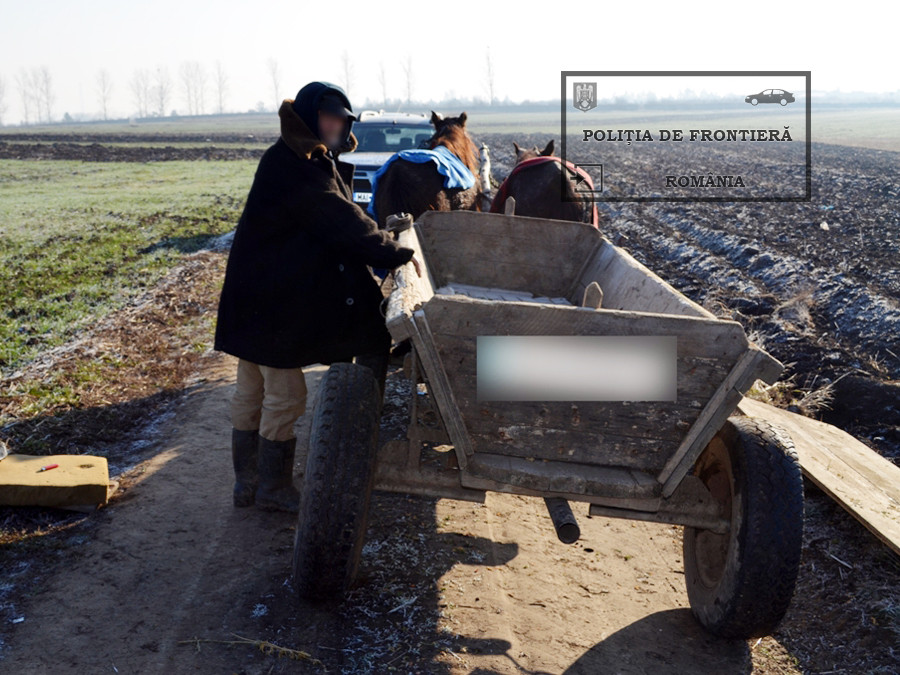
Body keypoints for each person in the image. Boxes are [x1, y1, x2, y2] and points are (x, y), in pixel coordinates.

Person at [214, 81, 420, 513]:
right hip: (273, 302)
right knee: (283, 395)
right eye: (328, 118)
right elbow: (340, 219)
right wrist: (394, 250)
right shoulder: (295, 165)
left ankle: (246, 484)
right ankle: (270, 487)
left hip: (256, 296)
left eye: (341, 121)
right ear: (309, 119)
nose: (335, 127)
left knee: (251, 390)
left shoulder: (294, 156)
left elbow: (339, 213)